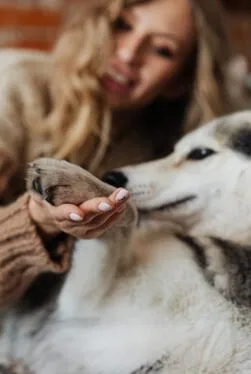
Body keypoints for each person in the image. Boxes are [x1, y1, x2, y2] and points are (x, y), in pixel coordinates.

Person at [0, 0, 235, 308]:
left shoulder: (164, 155)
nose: (128, 54)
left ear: (179, 81)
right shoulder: (13, 87)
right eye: (122, 25)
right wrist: (37, 221)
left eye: (162, 50)